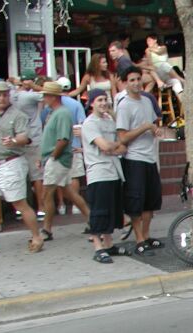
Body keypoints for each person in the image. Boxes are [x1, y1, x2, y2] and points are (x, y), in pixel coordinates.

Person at [0, 81, 44, 257]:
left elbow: (24, 137)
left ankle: (36, 237)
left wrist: (14, 141)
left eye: (5, 95)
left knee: (19, 203)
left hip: (11, 162)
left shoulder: (17, 115)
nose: (2, 98)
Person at [116, 65, 165, 257]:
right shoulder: (124, 105)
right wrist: (144, 128)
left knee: (150, 201)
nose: (136, 83)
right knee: (136, 201)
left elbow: (152, 124)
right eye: (132, 80)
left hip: (150, 157)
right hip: (134, 159)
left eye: (138, 79)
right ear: (125, 83)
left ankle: (146, 235)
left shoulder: (146, 101)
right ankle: (139, 239)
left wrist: (154, 129)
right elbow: (122, 137)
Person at [81, 88, 129, 263]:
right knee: (99, 210)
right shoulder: (90, 123)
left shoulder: (109, 120)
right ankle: (98, 246)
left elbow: (123, 146)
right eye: (99, 100)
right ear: (92, 103)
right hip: (99, 173)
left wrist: (114, 146)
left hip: (114, 171)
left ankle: (109, 244)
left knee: (112, 210)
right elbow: (104, 146)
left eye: (105, 99)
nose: (103, 103)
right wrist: (114, 146)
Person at [39, 81, 90, 240]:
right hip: (58, 158)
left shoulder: (61, 113)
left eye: (46, 95)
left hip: (58, 159)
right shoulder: (55, 113)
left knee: (47, 194)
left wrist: (53, 156)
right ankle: (92, 219)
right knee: (69, 192)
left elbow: (63, 139)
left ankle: (47, 229)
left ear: (52, 97)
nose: (44, 98)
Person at [8, 70, 45, 217]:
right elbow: (50, 93)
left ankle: (20, 208)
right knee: (37, 176)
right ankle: (41, 208)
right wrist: (35, 86)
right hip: (33, 138)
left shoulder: (11, 95)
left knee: (20, 175)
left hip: (16, 139)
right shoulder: (30, 95)